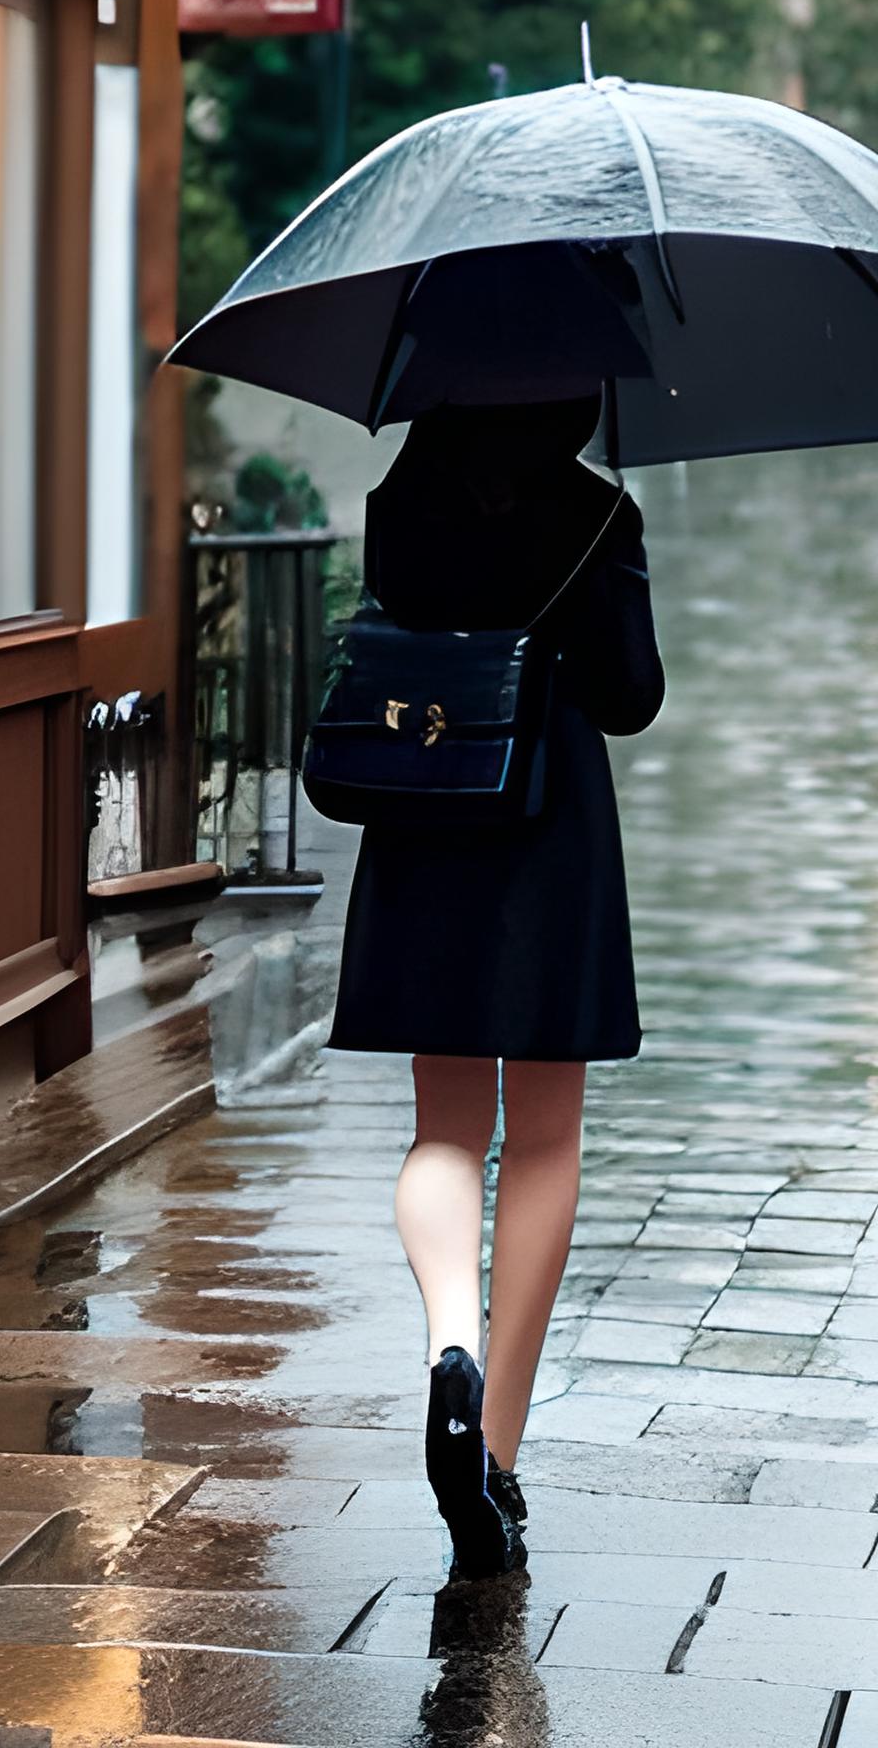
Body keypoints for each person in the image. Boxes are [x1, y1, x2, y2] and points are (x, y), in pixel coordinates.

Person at [327, 392, 664, 1576]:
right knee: (546, 1138)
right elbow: (630, 695)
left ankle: (445, 1344)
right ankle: (498, 1449)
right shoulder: (592, 512)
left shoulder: (398, 505)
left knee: (444, 1127)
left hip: (428, 818)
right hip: (548, 835)